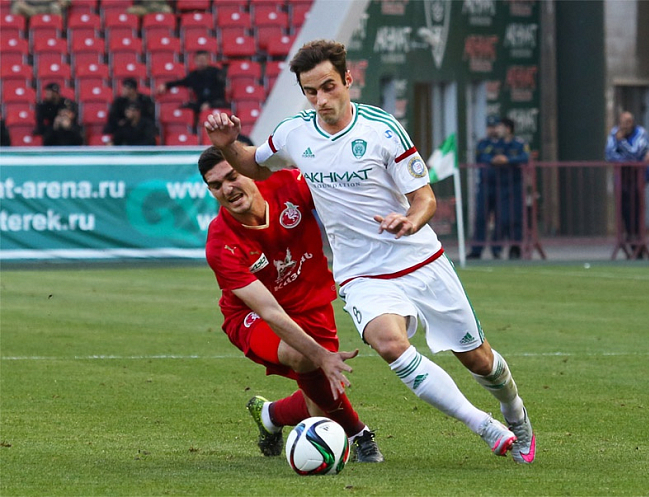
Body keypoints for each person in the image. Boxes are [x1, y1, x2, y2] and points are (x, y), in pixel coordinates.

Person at [204, 39, 536, 464]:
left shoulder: (382, 129)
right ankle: (484, 425)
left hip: (420, 260)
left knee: (479, 360)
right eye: (310, 92)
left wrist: (410, 220)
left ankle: (514, 412)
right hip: (361, 272)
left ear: (348, 79)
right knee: (389, 344)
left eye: (328, 87)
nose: (321, 100)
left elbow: (425, 198)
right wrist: (229, 145)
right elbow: (253, 163)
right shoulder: (293, 133)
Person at [198, 146, 383, 462]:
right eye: (216, 185)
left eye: (232, 176)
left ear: (248, 170)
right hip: (251, 316)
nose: (227, 189)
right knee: (305, 356)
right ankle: (359, 434)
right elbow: (269, 311)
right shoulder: (220, 243)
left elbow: (340, 199)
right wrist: (321, 355)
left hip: (311, 300)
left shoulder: (288, 183)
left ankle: (270, 415)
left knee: (317, 406)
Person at [605, 111, 649, 258]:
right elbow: (609, 155)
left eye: (628, 122)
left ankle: (639, 245)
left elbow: (637, 154)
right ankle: (632, 243)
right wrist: (624, 158)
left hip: (637, 177)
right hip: (622, 177)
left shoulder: (640, 133)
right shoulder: (614, 133)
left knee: (637, 211)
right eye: (623, 122)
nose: (626, 125)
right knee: (625, 212)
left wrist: (621, 143)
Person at [490, 117, 529, 260]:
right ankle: (496, 248)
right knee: (501, 218)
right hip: (500, 185)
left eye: (500, 127)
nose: (497, 129)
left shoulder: (519, 144)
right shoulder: (496, 144)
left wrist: (507, 160)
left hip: (515, 185)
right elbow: (485, 156)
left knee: (516, 217)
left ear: (508, 129)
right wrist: (494, 160)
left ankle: (515, 248)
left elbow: (525, 157)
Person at [467, 116, 503, 260]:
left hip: (501, 185)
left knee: (500, 218)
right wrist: (496, 160)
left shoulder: (503, 143)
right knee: (481, 217)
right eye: (490, 127)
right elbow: (482, 158)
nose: (493, 130)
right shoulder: (483, 143)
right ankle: (477, 249)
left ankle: (497, 249)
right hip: (485, 184)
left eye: (495, 127)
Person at [157, 51, 229, 119]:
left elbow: (220, 91)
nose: (201, 62)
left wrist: (209, 104)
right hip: (200, 103)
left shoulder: (216, 72)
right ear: (195, 61)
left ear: (208, 60)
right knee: (185, 108)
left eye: (203, 60)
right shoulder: (193, 75)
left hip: (216, 101)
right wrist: (166, 85)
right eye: (199, 60)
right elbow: (182, 82)